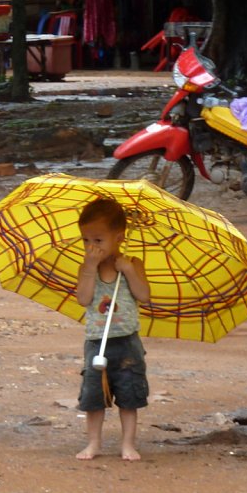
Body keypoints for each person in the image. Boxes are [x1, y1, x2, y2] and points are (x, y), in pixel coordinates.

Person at [74, 197, 150, 461]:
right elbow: (83, 299)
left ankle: (127, 443)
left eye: (98, 240)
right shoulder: (87, 268)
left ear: (119, 237)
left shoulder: (132, 264)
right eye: (86, 240)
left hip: (128, 343)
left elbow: (144, 295)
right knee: (93, 397)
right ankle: (94, 442)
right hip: (97, 342)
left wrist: (128, 271)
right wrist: (90, 268)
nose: (91, 247)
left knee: (129, 395)